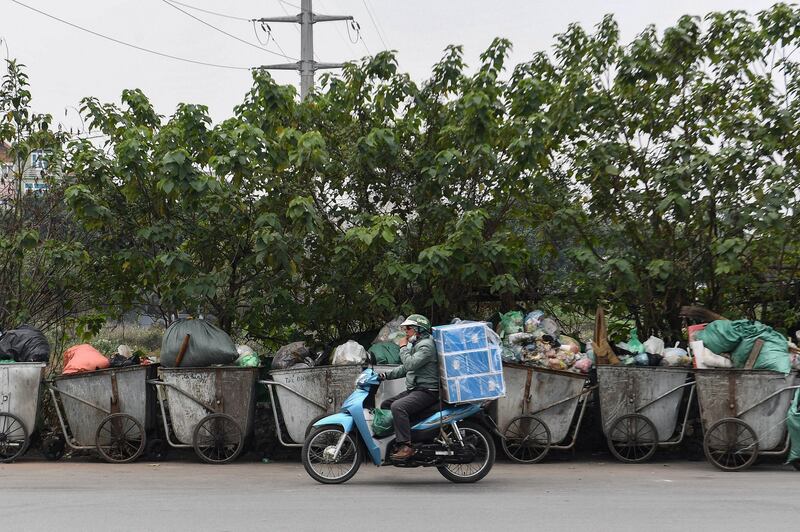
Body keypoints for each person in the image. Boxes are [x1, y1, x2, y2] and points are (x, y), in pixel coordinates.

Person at [378, 314, 439, 460]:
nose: (406, 331)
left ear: (419, 329)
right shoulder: (419, 344)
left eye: (409, 328)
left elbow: (409, 364)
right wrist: (385, 376)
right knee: (386, 404)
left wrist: (403, 347)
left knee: (398, 407)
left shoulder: (426, 346)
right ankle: (400, 439)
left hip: (427, 391)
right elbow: (407, 368)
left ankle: (406, 446)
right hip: (417, 389)